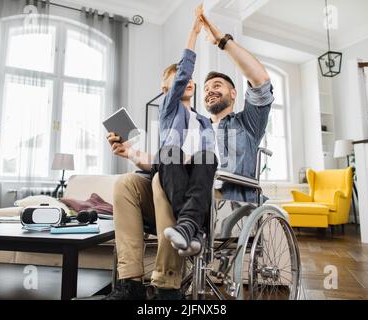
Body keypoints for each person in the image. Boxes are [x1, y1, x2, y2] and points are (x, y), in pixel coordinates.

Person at [105, 10, 274, 300]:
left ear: (234, 94)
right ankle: (129, 283)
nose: (209, 91)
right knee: (128, 184)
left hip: (222, 206)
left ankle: (166, 285)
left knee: (165, 177)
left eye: (217, 86)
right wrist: (132, 152)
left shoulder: (247, 123)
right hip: (178, 194)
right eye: (206, 88)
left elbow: (260, 80)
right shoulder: (192, 122)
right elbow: (166, 162)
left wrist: (221, 40)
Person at [154, 11, 217, 258]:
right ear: (166, 88)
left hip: (197, 170)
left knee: (208, 157)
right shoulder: (169, 108)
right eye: (181, 77)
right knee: (170, 151)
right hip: (172, 166)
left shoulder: (204, 121)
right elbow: (182, 74)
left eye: (191, 78)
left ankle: (188, 229)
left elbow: (209, 153)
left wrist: (197, 157)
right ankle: (193, 228)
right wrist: (194, 33)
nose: (188, 80)